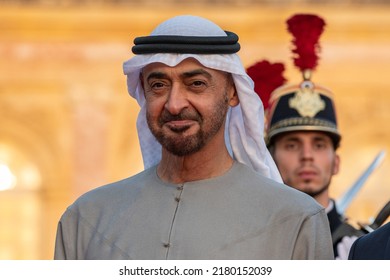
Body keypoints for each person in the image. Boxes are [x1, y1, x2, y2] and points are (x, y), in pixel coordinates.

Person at [54, 15, 333, 260]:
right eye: (159, 85)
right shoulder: (86, 219)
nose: (174, 104)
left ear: (233, 93)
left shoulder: (296, 220)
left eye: (196, 84)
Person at [247, 14, 365, 259]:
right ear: (271, 157)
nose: (307, 156)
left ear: (336, 162)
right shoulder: (246, 242)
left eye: (319, 144)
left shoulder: (363, 249)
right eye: (292, 145)